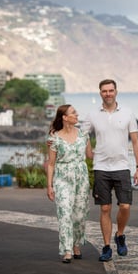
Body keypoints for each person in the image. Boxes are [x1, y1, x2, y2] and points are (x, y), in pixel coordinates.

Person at [83, 79, 138, 262]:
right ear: (100, 93)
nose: (108, 93)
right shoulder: (93, 114)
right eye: (104, 91)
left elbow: (135, 141)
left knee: (125, 206)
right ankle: (107, 246)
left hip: (122, 167)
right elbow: (82, 134)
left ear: (116, 91)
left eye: (110, 90)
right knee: (105, 208)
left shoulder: (127, 113)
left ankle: (120, 234)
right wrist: (88, 151)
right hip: (101, 167)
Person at [46, 104, 93, 263]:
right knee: (65, 213)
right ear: (65, 117)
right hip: (62, 178)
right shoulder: (54, 138)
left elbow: (90, 156)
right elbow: (51, 164)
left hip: (81, 178)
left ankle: (76, 244)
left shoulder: (84, 135)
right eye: (73, 113)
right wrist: (49, 185)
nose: (77, 114)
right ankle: (67, 249)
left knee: (79, 215)